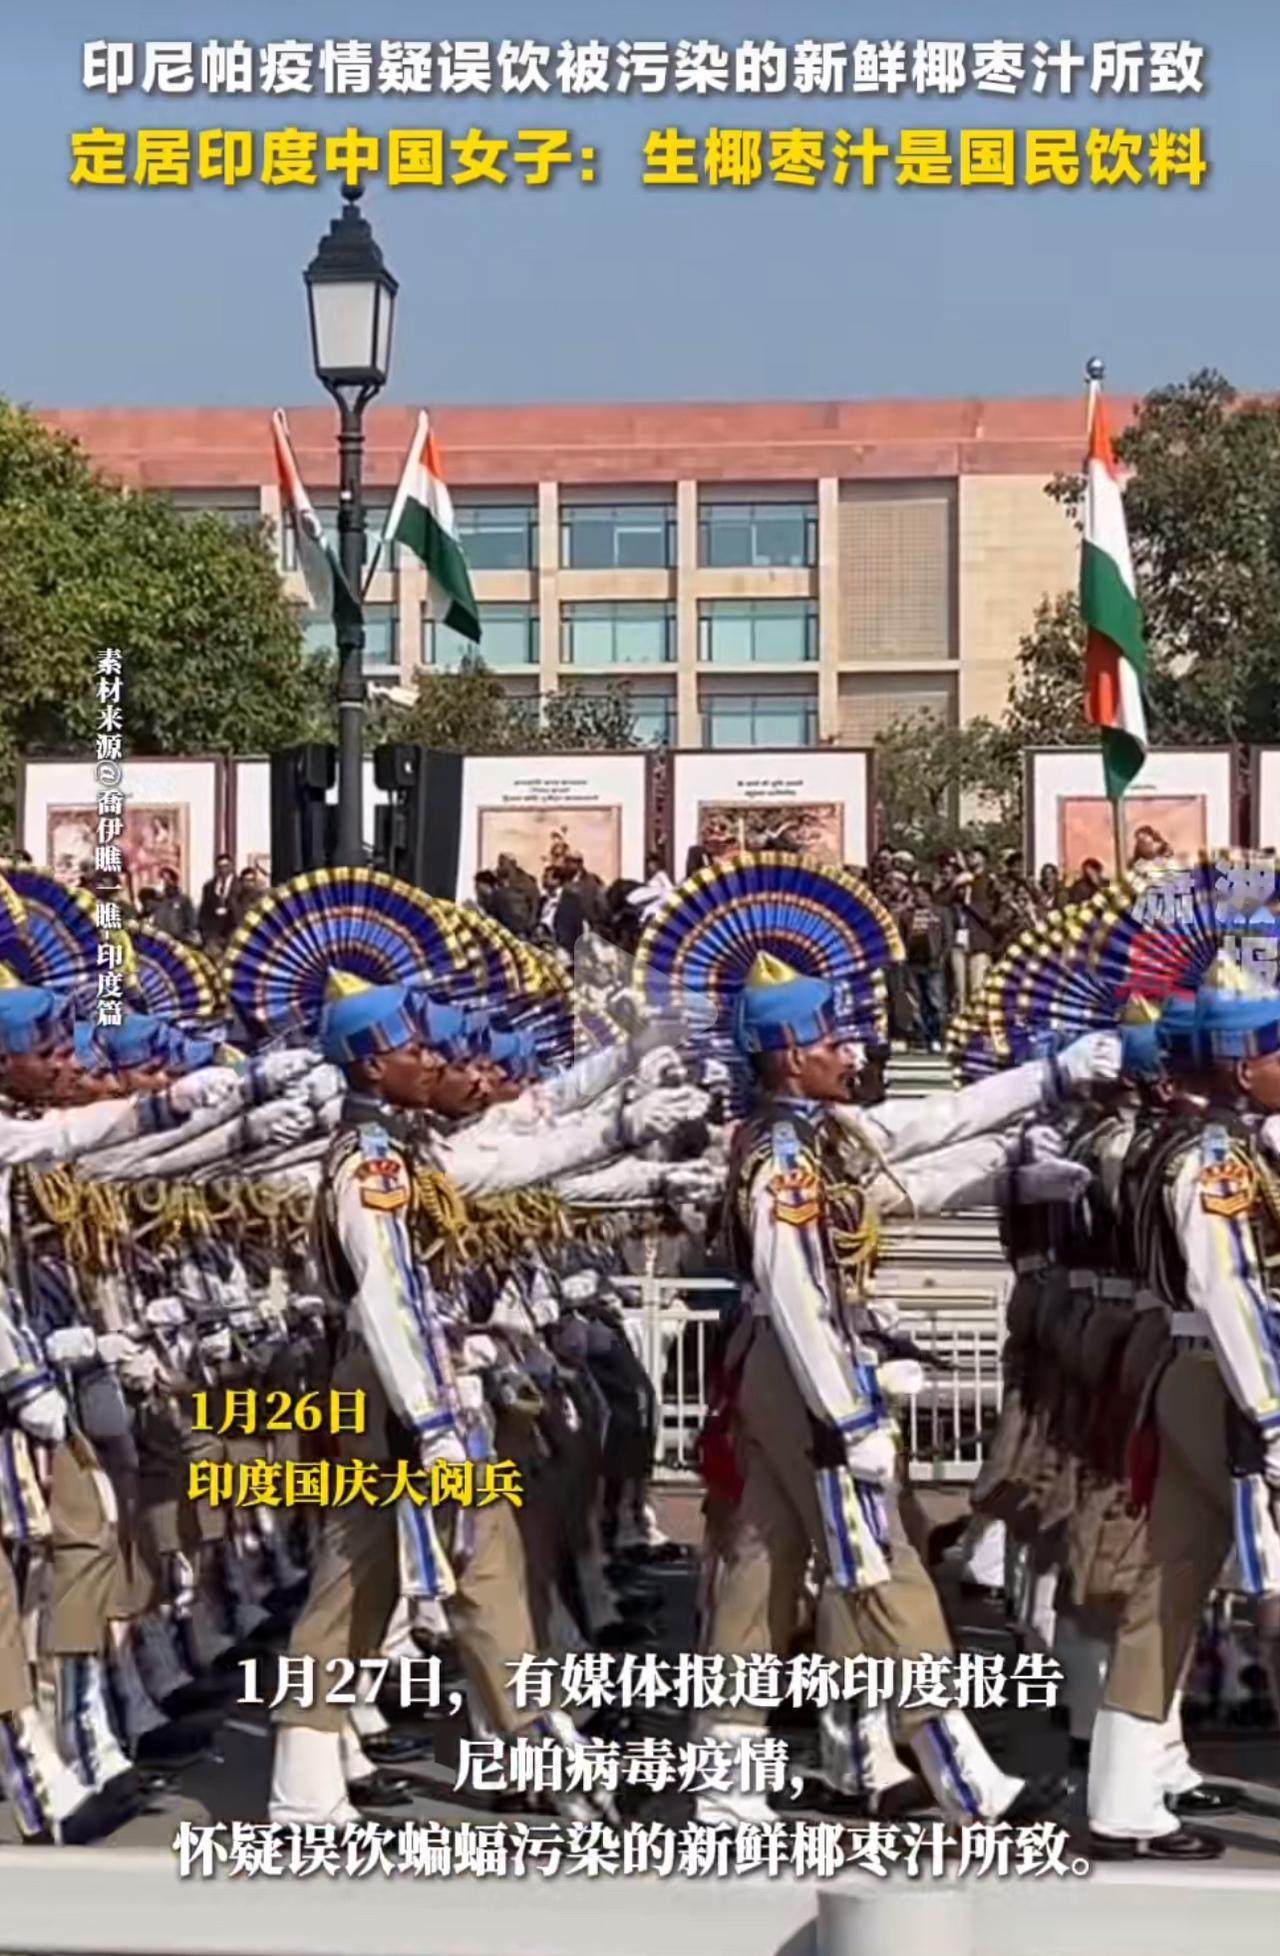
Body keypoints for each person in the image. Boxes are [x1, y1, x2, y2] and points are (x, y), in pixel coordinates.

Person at [198, 854, 237, 952]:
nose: (223, 870)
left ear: (232, 866)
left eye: (226, 866)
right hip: (213, 934)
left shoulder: (240, 886)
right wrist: (205, 934)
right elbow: (204, 911)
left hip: (233, 931)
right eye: (220, 867)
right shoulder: (209, 887)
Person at [150, 865, 197, 942]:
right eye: (163, 879)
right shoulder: (158, 901)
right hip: (160, 941)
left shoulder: (184, 899)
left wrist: (187, 938)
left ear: (175, 880)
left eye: (168, 879)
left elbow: (191, 922)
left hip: (178, 942)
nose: (166, 883)